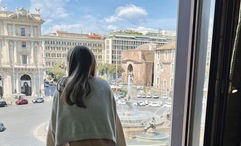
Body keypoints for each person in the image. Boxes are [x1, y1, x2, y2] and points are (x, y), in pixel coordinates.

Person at [47, 46, 126, 146]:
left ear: (71, 64)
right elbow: (116, 124)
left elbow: (53, 129)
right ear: (91, 64)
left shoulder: (62, 88)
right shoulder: (104, 86)